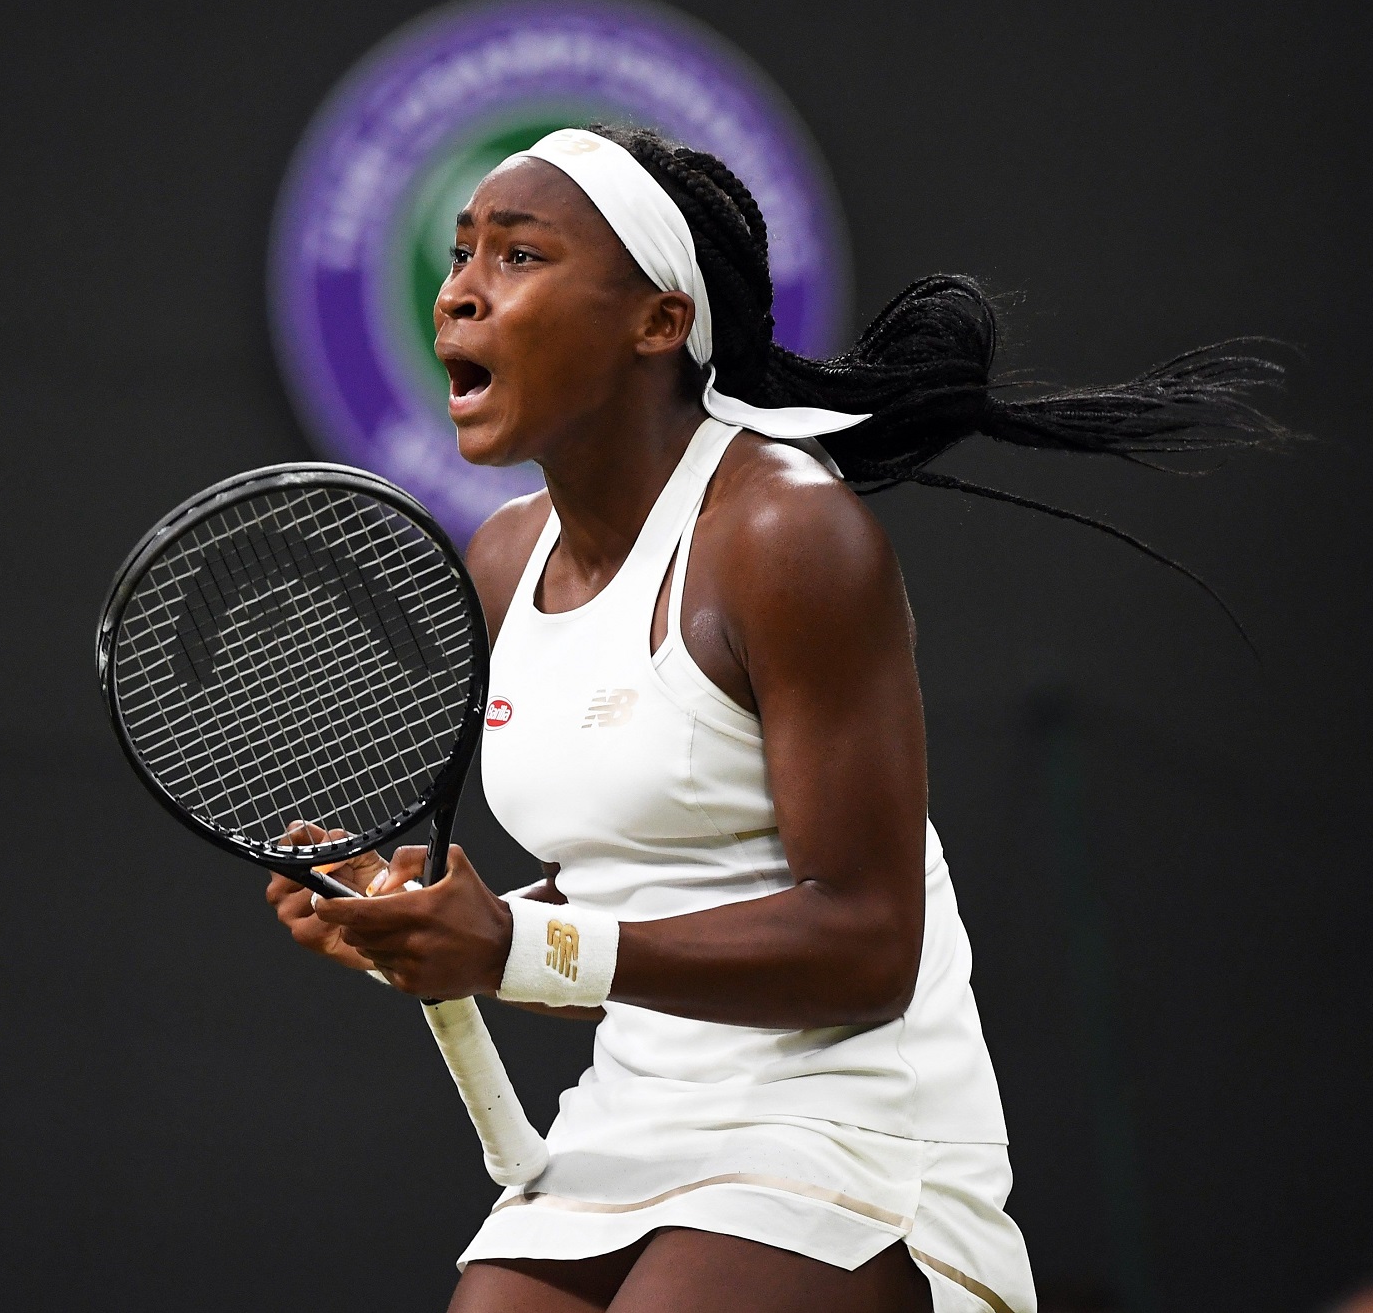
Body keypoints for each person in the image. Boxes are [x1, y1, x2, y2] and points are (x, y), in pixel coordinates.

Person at [265, 126, 1284, 1312]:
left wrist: (513, 949)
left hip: (848, 1124)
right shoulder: (503, 558)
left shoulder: (783, 533)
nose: (458, 293)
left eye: (518, 256)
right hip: (634, 1114)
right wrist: (426, 921)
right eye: (459, 255)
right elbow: (636, 886)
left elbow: (864, 944)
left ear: (658, 320)